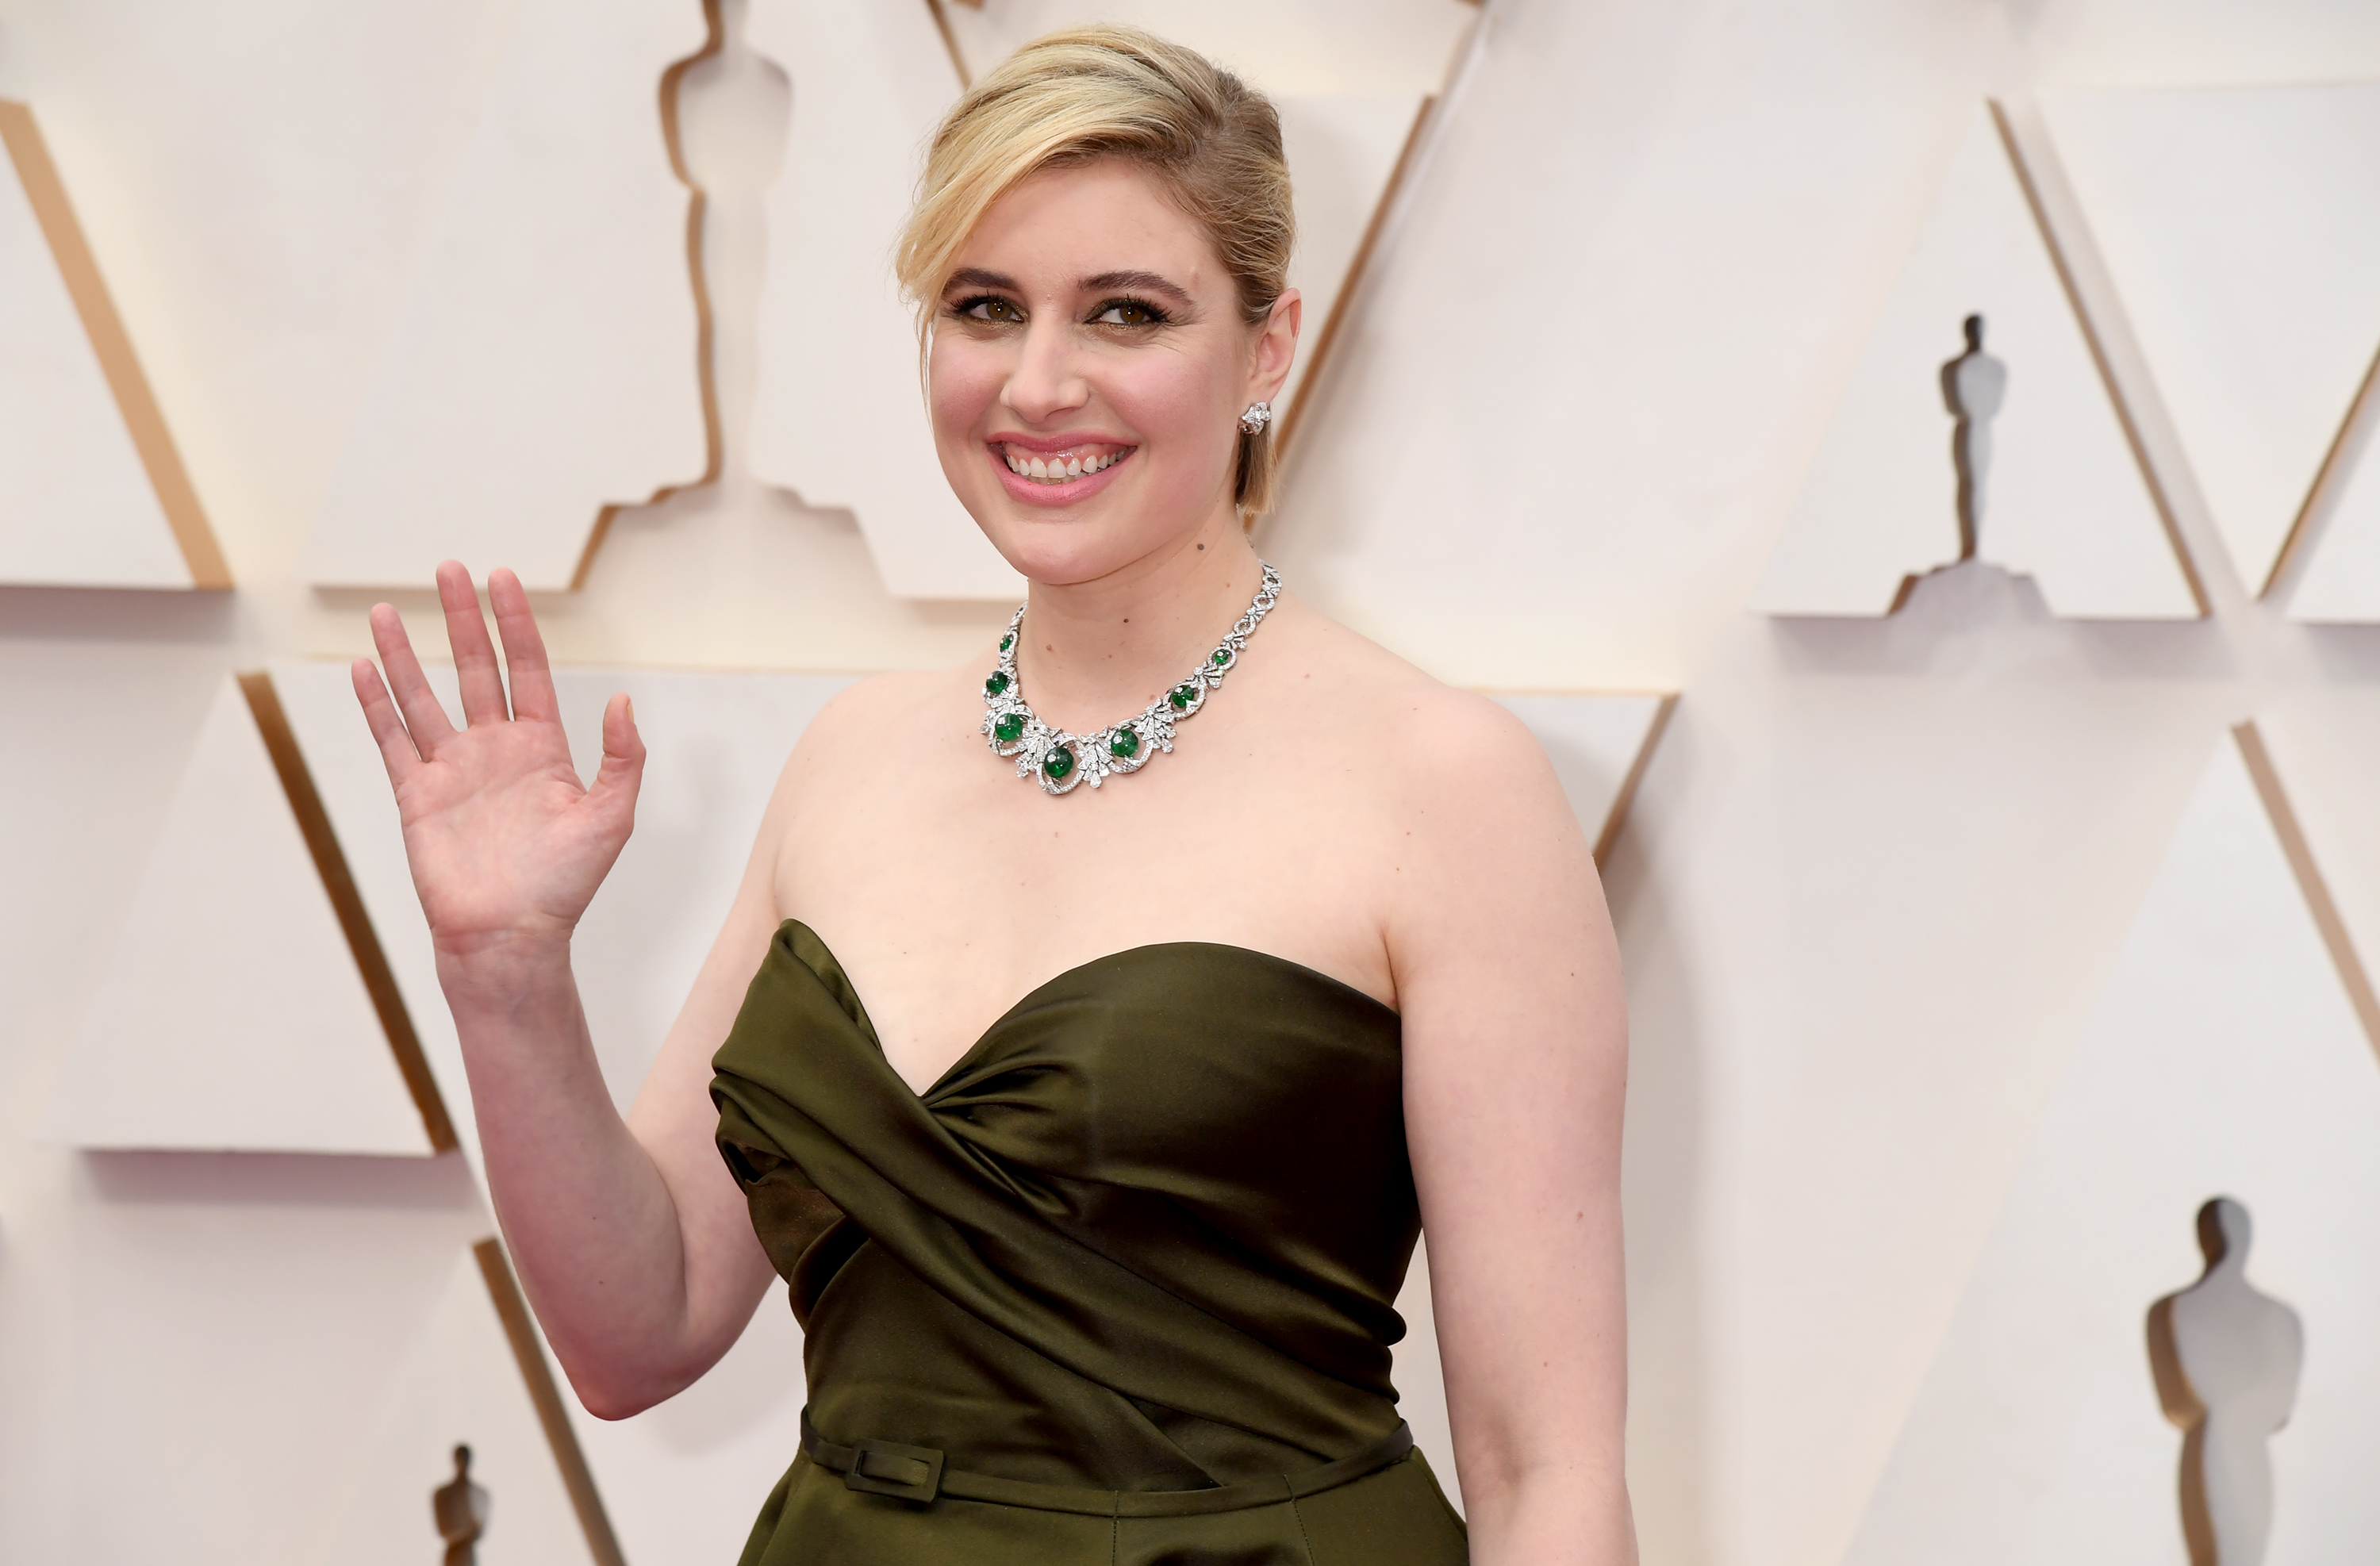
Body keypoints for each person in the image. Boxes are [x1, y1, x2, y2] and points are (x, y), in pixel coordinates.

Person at [352, 25, 1633, 1564]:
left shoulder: (1444, 781)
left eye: (1126, 313)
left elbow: (1542, 1467)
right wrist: (504, 975)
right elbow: (641, 1332)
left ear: (1268, 344)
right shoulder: (857, 754)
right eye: (984, 308)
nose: (1039, 384)